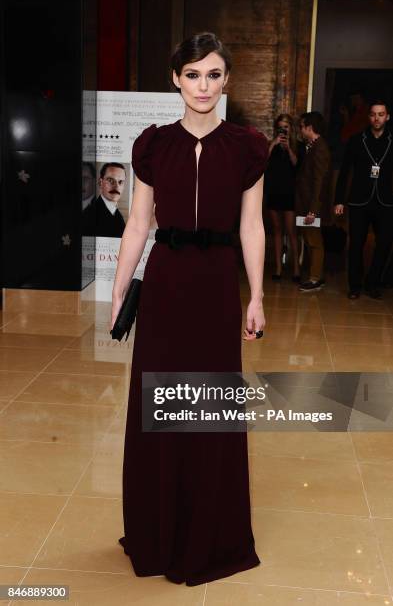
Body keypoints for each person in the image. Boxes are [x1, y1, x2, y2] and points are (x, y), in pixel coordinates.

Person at [111, 32, 268, 586]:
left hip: (216, 288)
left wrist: (258, 296)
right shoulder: (153, 145)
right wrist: (118, 292)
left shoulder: (249, 147)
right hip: (167, 284)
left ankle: (207, 534)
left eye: (214, 74)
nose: (204, 85)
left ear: (227, 82)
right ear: (176, 79)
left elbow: (252, 226)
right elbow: (138, 224)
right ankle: (158, 532)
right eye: (194, 74)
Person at [334, 99, 393, 299]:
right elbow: (344, 172)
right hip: (359, 200)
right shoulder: (357, 140)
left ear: (387, 117)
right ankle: (355, 286)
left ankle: (373, 282)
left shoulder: (392, 141)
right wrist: (339, 200)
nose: (377, 118)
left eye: (381, 114)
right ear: (369, 117)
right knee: (356, 244)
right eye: (373, 114)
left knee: (385, 243)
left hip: (386, 201)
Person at [296, 112, 331, 292]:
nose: (300, 130)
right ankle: (315, 275)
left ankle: (315, 278)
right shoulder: (312, 146)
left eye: (302, 126)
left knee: (314, 242)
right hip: (306, 204)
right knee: (310, 240)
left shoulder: (320, 148)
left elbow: (320, 181)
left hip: (311, 206)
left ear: (310, 128)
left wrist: (313, 210)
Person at [264, 113, 302, 281]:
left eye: (286, 127)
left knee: (291, 231)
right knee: (277, 231)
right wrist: (273, 144)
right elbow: (262, 162)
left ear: (290, 128)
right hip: (273, 191)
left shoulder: (297, 145)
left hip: (289, 192)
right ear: (276, 128)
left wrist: (288, 149)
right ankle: (278, 268)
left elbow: (297, 165)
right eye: (280, 127)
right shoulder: (270, 144)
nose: (283, 130)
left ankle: (296, 269)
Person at [83, 162, 126, 237]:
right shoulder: (89, 215)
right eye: (110, 180)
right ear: (100, 183)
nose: (116, 186)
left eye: (120, 182)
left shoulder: (117, 214)